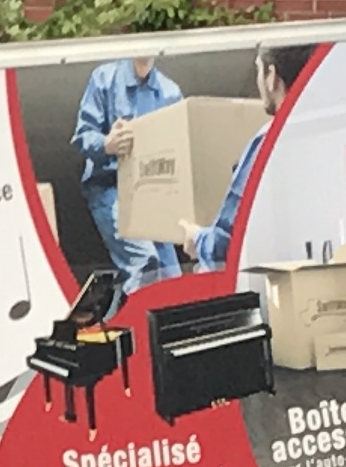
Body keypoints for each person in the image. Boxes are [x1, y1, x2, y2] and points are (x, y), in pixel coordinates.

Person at [190, 42, 312, 270]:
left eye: (258, 69)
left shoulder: (267, 142)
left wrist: (196, 238)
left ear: (272, 76)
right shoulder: (322, 132)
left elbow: (225, 246)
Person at [70, 50, 184, 285]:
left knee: (172, 276)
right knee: (145, 263)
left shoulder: (170, 92)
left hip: (153, 195)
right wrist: (107, 144)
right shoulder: (104, 78)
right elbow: (83, 135)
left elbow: (180, 152)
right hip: (110, 188)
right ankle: (138, 321)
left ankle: (126, 315)